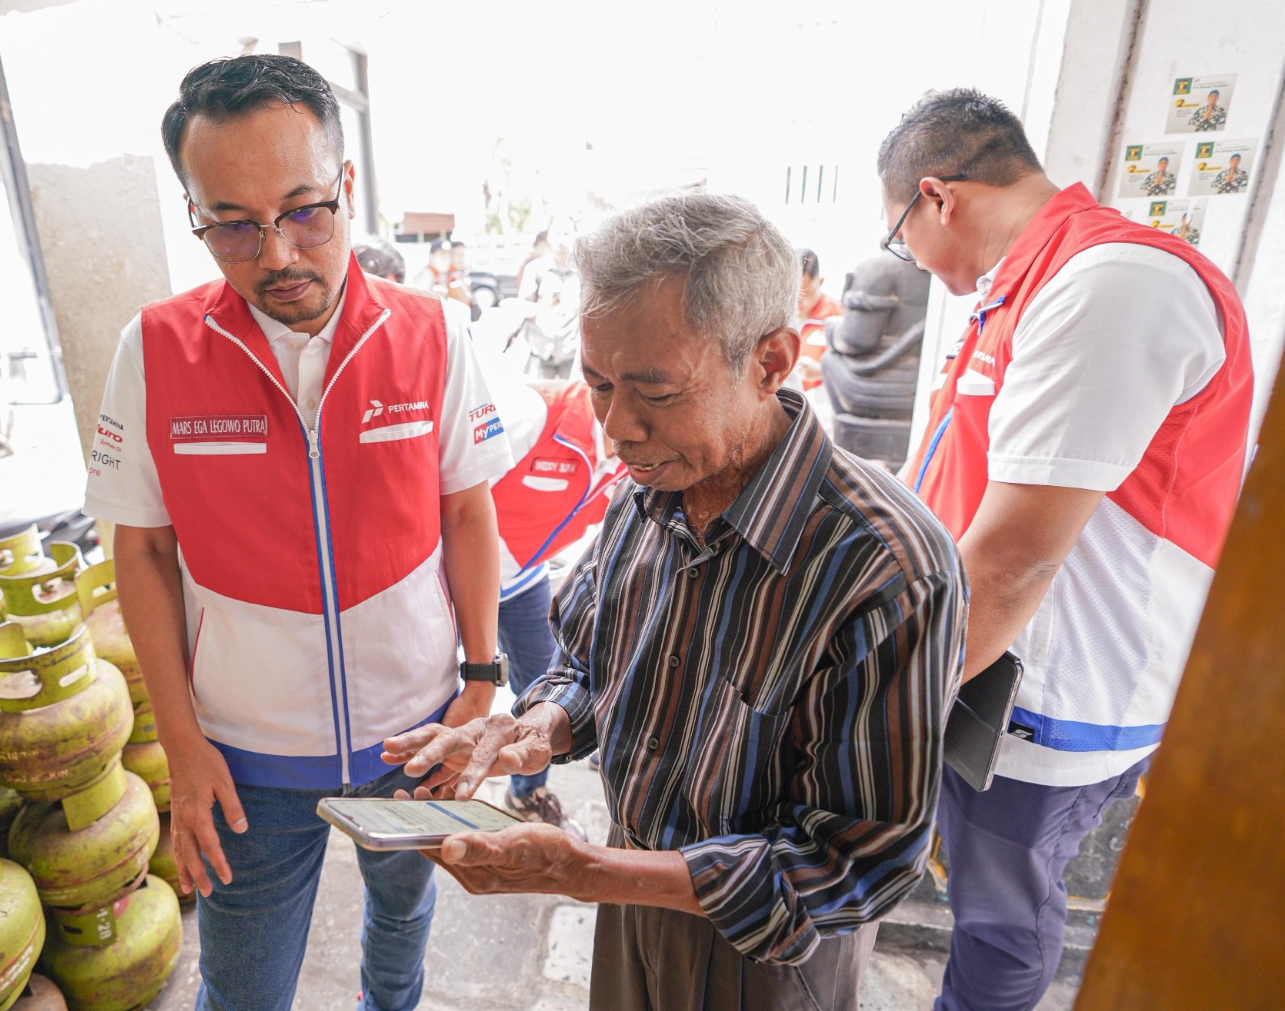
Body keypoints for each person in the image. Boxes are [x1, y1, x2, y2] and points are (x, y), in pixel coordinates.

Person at [384, 192, 967, 1011]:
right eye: (597, 384)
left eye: (655, 394)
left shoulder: (884, 566)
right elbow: (590, 667)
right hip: (630, 894)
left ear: (770, 362)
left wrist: (586, 871)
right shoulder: (643, 497)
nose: (618, 427)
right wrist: (527, 730)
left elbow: (855, 860)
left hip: (765, 955)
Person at [84, 54, 514, 1011]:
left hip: (418, 731)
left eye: (303, 209)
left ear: (347, 189)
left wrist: (481, 682)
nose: (275, 253)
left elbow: (466, 510)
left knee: (401, 915)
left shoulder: (433, 334)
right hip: (245, 758)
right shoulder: (153, 351)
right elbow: (144, 549)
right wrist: (182, 744)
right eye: (231, 224)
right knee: (243, 990)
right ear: (192, 213)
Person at [876, 88, 1252, 1011]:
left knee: (1002, 915)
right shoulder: (1025, 289)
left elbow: (1016, 560)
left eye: (900, 237)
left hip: (1053, 690)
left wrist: (884, 703)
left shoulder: (1112, 284)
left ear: (938, 197)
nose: (914, 262)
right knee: (973, 890)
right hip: (987, 665)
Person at [488, 377, 626, 833]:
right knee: (446, 690)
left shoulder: (633, 456)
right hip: (454, 575)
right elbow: (443, 491)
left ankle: (528, 793)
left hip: (525, 577)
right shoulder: (533, 413)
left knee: (546, 686)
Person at [516, 221, 579, 378]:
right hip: (542, 352)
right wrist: (548, 304)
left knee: (572, 401)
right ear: (549, 238)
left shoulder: (583, 269)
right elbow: (523, 309)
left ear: (575, 237)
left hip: (572, 353)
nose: (561, 239)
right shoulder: (535, 268)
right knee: (541, 401)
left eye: (566, 234)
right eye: (557, 233)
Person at [793, 248, 841, 391]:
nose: (799, 303)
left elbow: (855, 368)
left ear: (820, 282)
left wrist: (822, 371)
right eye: (795, 295)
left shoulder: (838, 317)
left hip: (822, 404)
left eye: (806, 294)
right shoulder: (778, 315)